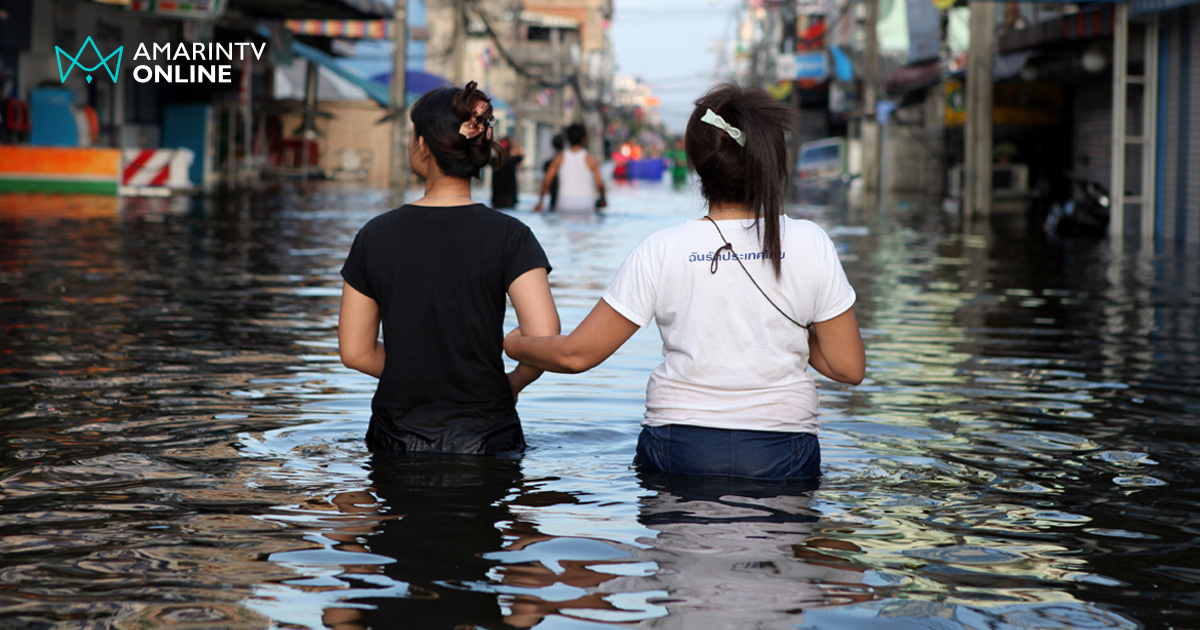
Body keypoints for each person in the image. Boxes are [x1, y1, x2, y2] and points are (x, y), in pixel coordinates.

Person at [504, 84, 865, 480]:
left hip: (680, 448)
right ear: (770, 158)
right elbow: (848, 368)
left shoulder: (662, 248)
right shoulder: (810, 241)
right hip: (783, 455)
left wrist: (512, 343)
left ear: (696, 163)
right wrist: (781, 328)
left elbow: (577, 356)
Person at [338, 81, 560, 456]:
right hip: (489, 437)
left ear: (422, 146)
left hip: (397, 437)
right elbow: (545, 335)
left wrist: (421, 376)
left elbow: (355, 353)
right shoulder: (512, 236)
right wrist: (511, 383)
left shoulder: (374, 235)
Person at [535, 123, 606, 213]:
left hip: (564, 204)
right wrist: (603, 198)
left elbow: (547, 181)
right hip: (585, 205)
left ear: (567, 138)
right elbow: (599, 184)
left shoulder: (559, 158)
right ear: (584, 138)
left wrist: (540, 201)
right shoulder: (591, 160)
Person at [491, 136, 523, 209]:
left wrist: (494, 145)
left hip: (497, 197)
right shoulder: (513, 160)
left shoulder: (494, 161)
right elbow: (521, 155)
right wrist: (514, 145)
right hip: (510, 196)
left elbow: (484, 157)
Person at [542, 133, 564, 211]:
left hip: (553, 202)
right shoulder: (569, 164)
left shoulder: (548, 163)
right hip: (567, 203)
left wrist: (540, 201)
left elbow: (546, 182)